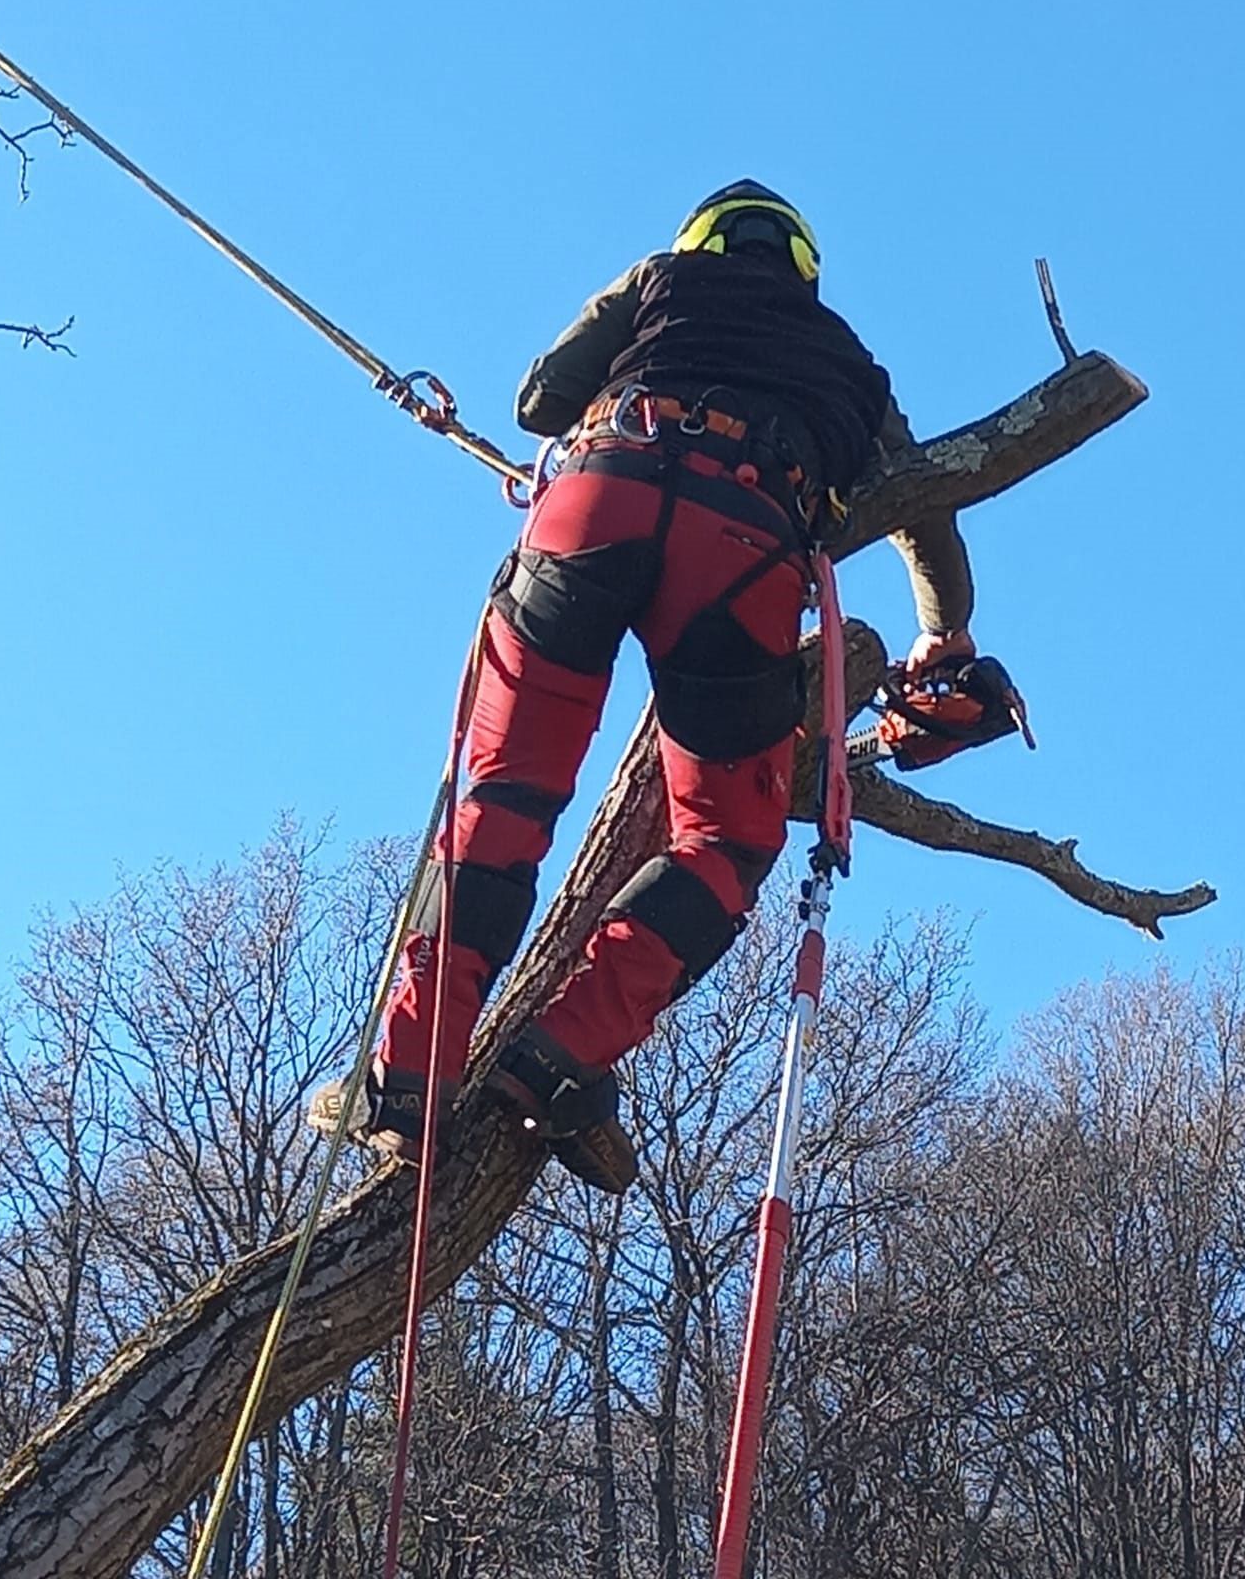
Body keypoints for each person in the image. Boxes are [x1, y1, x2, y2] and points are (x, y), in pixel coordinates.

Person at [310, 181, 976, 1191]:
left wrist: (602, 395)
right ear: (801, 266)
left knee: (502, 799)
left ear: (701, 241)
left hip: (593, 499)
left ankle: (405, 1078)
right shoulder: (855, 368)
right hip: (744, 545)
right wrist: (946, 629)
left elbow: (540, 399)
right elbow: (928, 504)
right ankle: (561, 1051)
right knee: (725, 839)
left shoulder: (660, 282)